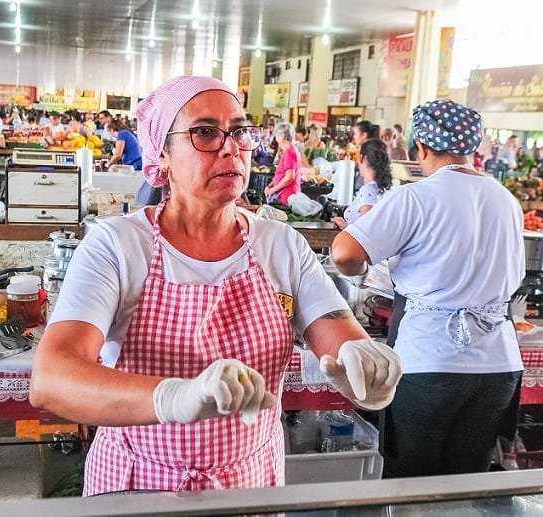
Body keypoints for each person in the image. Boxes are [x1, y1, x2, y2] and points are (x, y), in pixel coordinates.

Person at [29, 76, 402, 496]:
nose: (231, 147)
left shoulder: (281, 246)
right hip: (137, 487)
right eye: (205, 132)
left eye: (240, 131)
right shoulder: (116, 246)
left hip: (248, 486)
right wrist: (174, 397)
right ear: (162, 155)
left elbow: (339, 337)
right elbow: (52, 377)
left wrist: (364, 368)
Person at [331, 99, 524, 478]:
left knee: (410, 485)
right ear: (471, 148)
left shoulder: (416, 197)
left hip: (430, 362)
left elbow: (343, 253)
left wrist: (368, 265)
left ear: (421, 148)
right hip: (498, 366)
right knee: (466, 486)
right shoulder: (506, 199)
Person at [333, 139, 394, 228]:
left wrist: (345, 226)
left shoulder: (368, 190)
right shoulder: (386, 189)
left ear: (362, 158)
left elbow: (366, 230)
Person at [264, 122, 303, 205]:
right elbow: (283, 174)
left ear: (282, 135)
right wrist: (272, 184)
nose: (275, 138)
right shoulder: (289, 150)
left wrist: (273, 190)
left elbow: (289, 177)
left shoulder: (290, 152)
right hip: (285, 194)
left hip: (287, 195)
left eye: (277, 135)